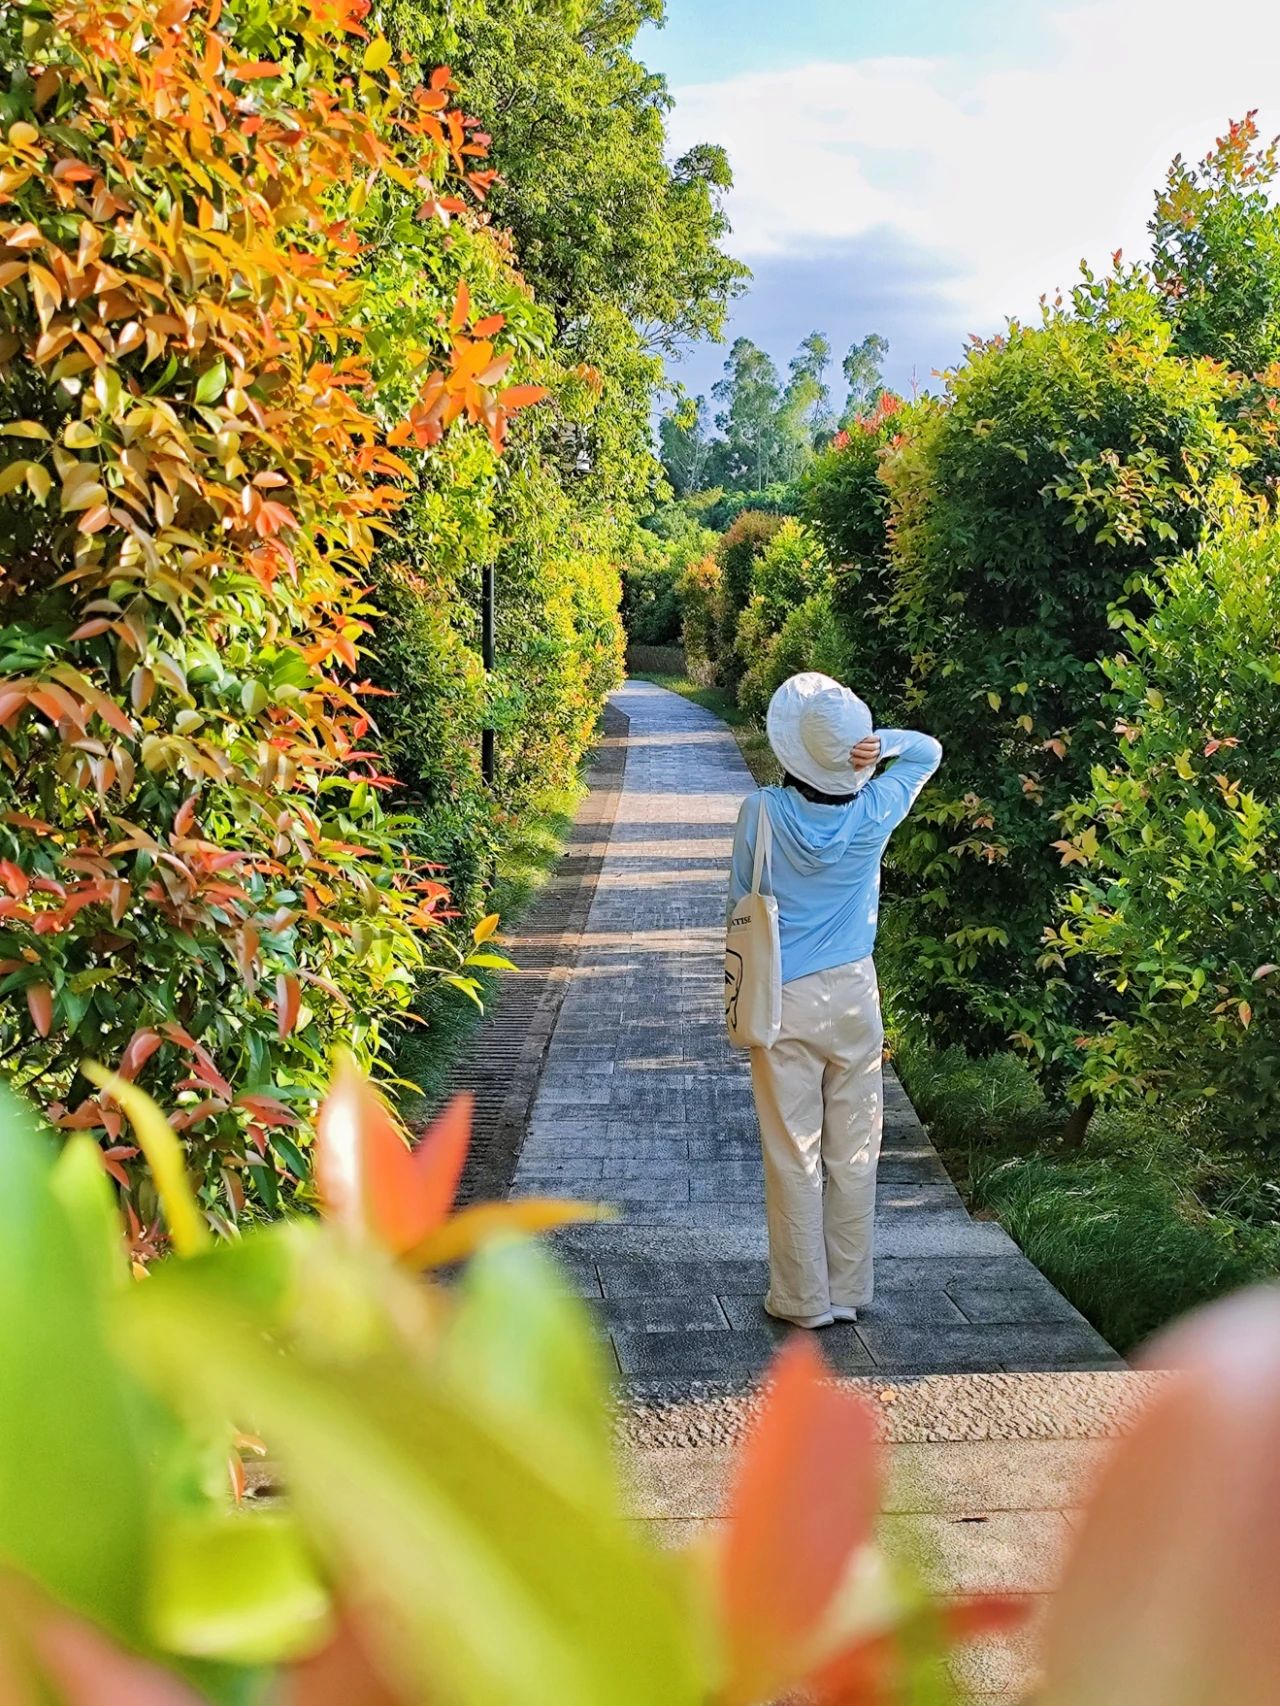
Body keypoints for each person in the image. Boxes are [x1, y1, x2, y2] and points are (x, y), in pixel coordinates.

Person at [727, 672, 941, 1329]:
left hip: (781, 994)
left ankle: (801, 1300)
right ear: (856, 755)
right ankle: (848, 1290)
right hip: (854, 993)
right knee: (854, 1149)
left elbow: (740, 902)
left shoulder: (761, 812)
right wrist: (877, 747)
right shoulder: (877, 807)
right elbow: (928, 750)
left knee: (793, 1151)